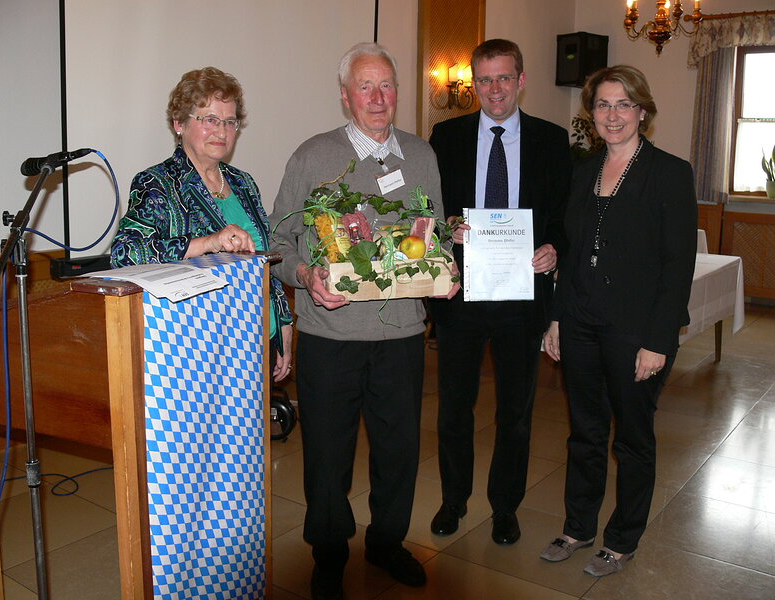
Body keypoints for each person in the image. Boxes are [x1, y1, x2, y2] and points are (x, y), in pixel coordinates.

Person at [269, 42, 448, 600]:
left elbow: (431, 232)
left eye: (387, 85)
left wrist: (445, 268)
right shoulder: (312, 155)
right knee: (327, 453)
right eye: (365, 87)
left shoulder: (421, 156)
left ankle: (388, 542)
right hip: (331, 337)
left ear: (398, 91)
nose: (378, 97)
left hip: (401, 336)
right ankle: (327, 550)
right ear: (345, 96)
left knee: (398, 451)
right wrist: (306, 276)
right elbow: (278, 241)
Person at [540, 65, 697, 577]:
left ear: (642, 111)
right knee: (584, 432)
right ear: (592, 112)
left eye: (623, 104)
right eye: (603, 105)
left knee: (632, 438)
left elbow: (678, 266)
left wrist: (658, 340)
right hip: (581, 320)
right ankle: (578, 526)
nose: (612, 115)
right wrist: (558, 318)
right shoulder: (582, 170)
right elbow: (572, 249)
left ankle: (623, 537)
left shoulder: (670, 172)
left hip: (637, 329)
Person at [427, 39, 571, 545]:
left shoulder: (552, 141)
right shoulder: (444, 137)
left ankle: (505, 505)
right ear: (474, 83)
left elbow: (562, 214)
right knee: (453, 410)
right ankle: (453, 499)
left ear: (521, 80)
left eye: (503, 78)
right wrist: (446, 226)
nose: (494, 89)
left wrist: (554, 245)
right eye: (484, 79)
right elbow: (429, 208)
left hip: (521, 294)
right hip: (461, 296)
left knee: (515, 411)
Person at [110, 67, 293, 380]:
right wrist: (209, 243)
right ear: (179, 123)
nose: (222, 131)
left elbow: (264, 261)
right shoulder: (157, 183)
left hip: (258, 340)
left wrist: (283, 322)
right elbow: (124, 253)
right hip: (197, 352)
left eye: (230, 121)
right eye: (210, 119)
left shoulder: (243, 183)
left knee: (250, 432)